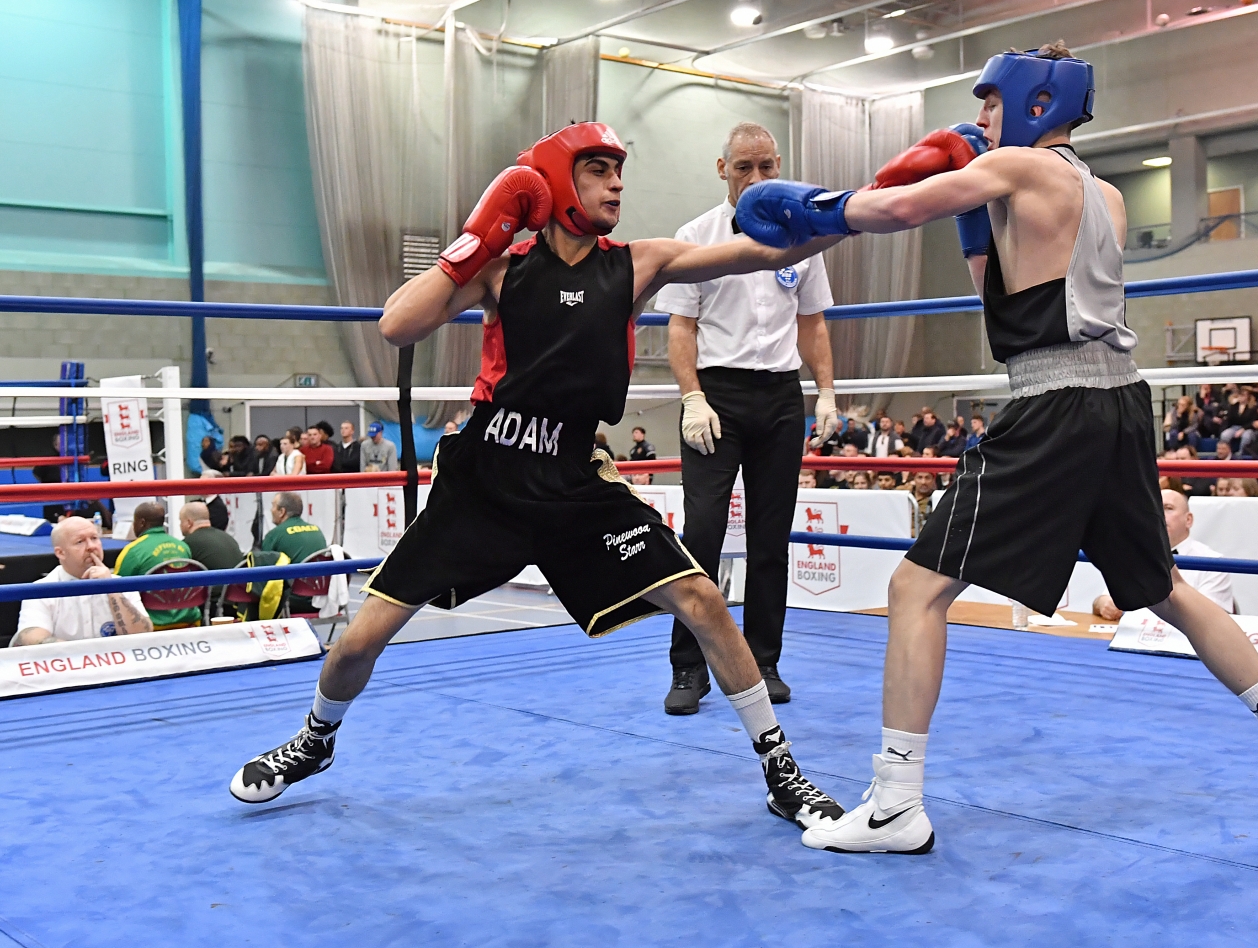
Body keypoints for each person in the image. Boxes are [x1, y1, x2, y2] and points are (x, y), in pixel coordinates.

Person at [736, 43, 1258, 854]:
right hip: (1121, 402)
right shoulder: (1107, 195)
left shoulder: (1016, 171)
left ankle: (893, 803)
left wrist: (801, 201)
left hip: (1053, 404)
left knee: (915, 587)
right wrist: (970, 222)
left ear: (1031, 101)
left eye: (991, 101)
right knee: (1163, 587)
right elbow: (1010, 289)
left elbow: (885, 213)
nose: (981, 116)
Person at [228, 122, 845, 833]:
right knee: (359, 641)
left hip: (576, 478)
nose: (617, 182)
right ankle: (315, 740)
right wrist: (479, 237)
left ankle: (780, 770)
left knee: (702, 599)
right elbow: (397, 325)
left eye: (620, 170)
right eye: (598, 169)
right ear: (556, 181)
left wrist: (855, 210)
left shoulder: (638, 264)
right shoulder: (501, 269)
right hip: (486, 476)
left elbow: (758, 251)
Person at [653, 121, 839, 715]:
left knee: (770, 538)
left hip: (781, 396)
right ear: (722, 169)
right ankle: (689, 666)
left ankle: (763, 662)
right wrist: (691, 397)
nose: (757, 179)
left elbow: (812, 321)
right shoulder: (696, 237)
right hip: (717, 396)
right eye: (744, 169)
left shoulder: (800, 234)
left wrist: (828, 393)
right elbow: (680, 326)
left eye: (767, 168)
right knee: (700, 534)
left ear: (779, 166)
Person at [1093, 488, 1233, 620]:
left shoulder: (1214, 562)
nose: (1159, 513)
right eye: (1154, 507)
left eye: (1168, 508)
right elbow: (1104, 599)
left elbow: (1214, 617)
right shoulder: (1135, 554)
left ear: (1188, 520)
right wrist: (1103, 604)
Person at [11, 517, 153, 645]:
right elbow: (31, 637)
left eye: (94, 538)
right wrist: (81, 654)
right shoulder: (41, 590)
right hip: (65, 669)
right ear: (60, 553)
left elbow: (142, 636)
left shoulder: (121, 584)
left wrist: (112, 589)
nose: (91, 546)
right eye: (80, 542)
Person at [114, 501, 201, 629]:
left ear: (141, 523)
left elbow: (116, 590)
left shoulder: (132, 551)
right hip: (189, 621)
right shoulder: (183, 547)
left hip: (152, 625)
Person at [180, 501, 243, 571]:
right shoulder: (229, 538)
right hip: (241, 580)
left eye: (181, 521)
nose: (180, 525)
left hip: (216, 581)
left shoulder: (188, 543)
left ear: (189, 523)